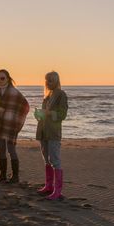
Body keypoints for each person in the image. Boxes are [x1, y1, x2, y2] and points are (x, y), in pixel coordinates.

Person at [0, 70, 29, 184]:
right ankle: (2, 174)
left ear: (8, 79)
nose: (0, 80)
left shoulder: (14, 92)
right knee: (1, 149)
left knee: (11, 150)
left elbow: (25, 106)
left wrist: (17, 121)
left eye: (3, 78)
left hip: (11, 126)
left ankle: (15, 176)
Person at [35, 71, 68, 200]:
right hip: (43, 130)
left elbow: (62, 114)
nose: (48, 83)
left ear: (57, 81)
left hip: (53, 132)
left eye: (51, 80)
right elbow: (44, 114)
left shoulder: (61, 94)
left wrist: (48, 113)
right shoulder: (47, 95)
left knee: (55, 159)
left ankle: (57, 190)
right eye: (47, 80)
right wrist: (39, 115)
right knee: (46, 159)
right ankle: (48, 185)